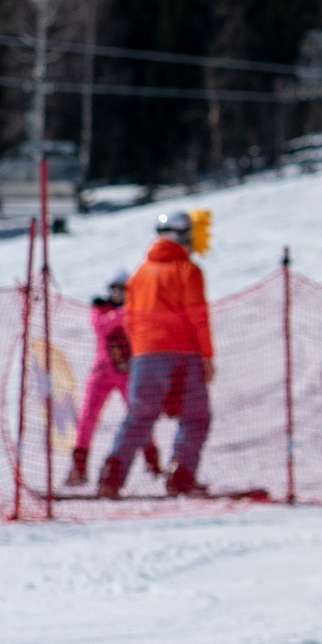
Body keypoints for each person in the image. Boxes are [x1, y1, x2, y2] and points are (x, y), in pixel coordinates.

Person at [101, 211, 215, 499]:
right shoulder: (187, 270)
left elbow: (128, 319)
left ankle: (110, 478)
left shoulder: (139, 274)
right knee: (196, 417)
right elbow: (198, 318)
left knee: (139, 417)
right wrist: (207, 357)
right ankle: (181, 476)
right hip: (183, 355)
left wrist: (140, 350)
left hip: (144, 356)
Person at [69, 271, 157, 487]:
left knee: (139, 416)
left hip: (128, 374)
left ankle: (152, 462)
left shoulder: (137, 311)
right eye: (114, 289)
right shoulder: (100, 309)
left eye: (123, 289)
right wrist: (126, 312)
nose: (118, 293)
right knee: (87, 418)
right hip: (101, 373)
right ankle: (79, 468)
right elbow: (102, 326)